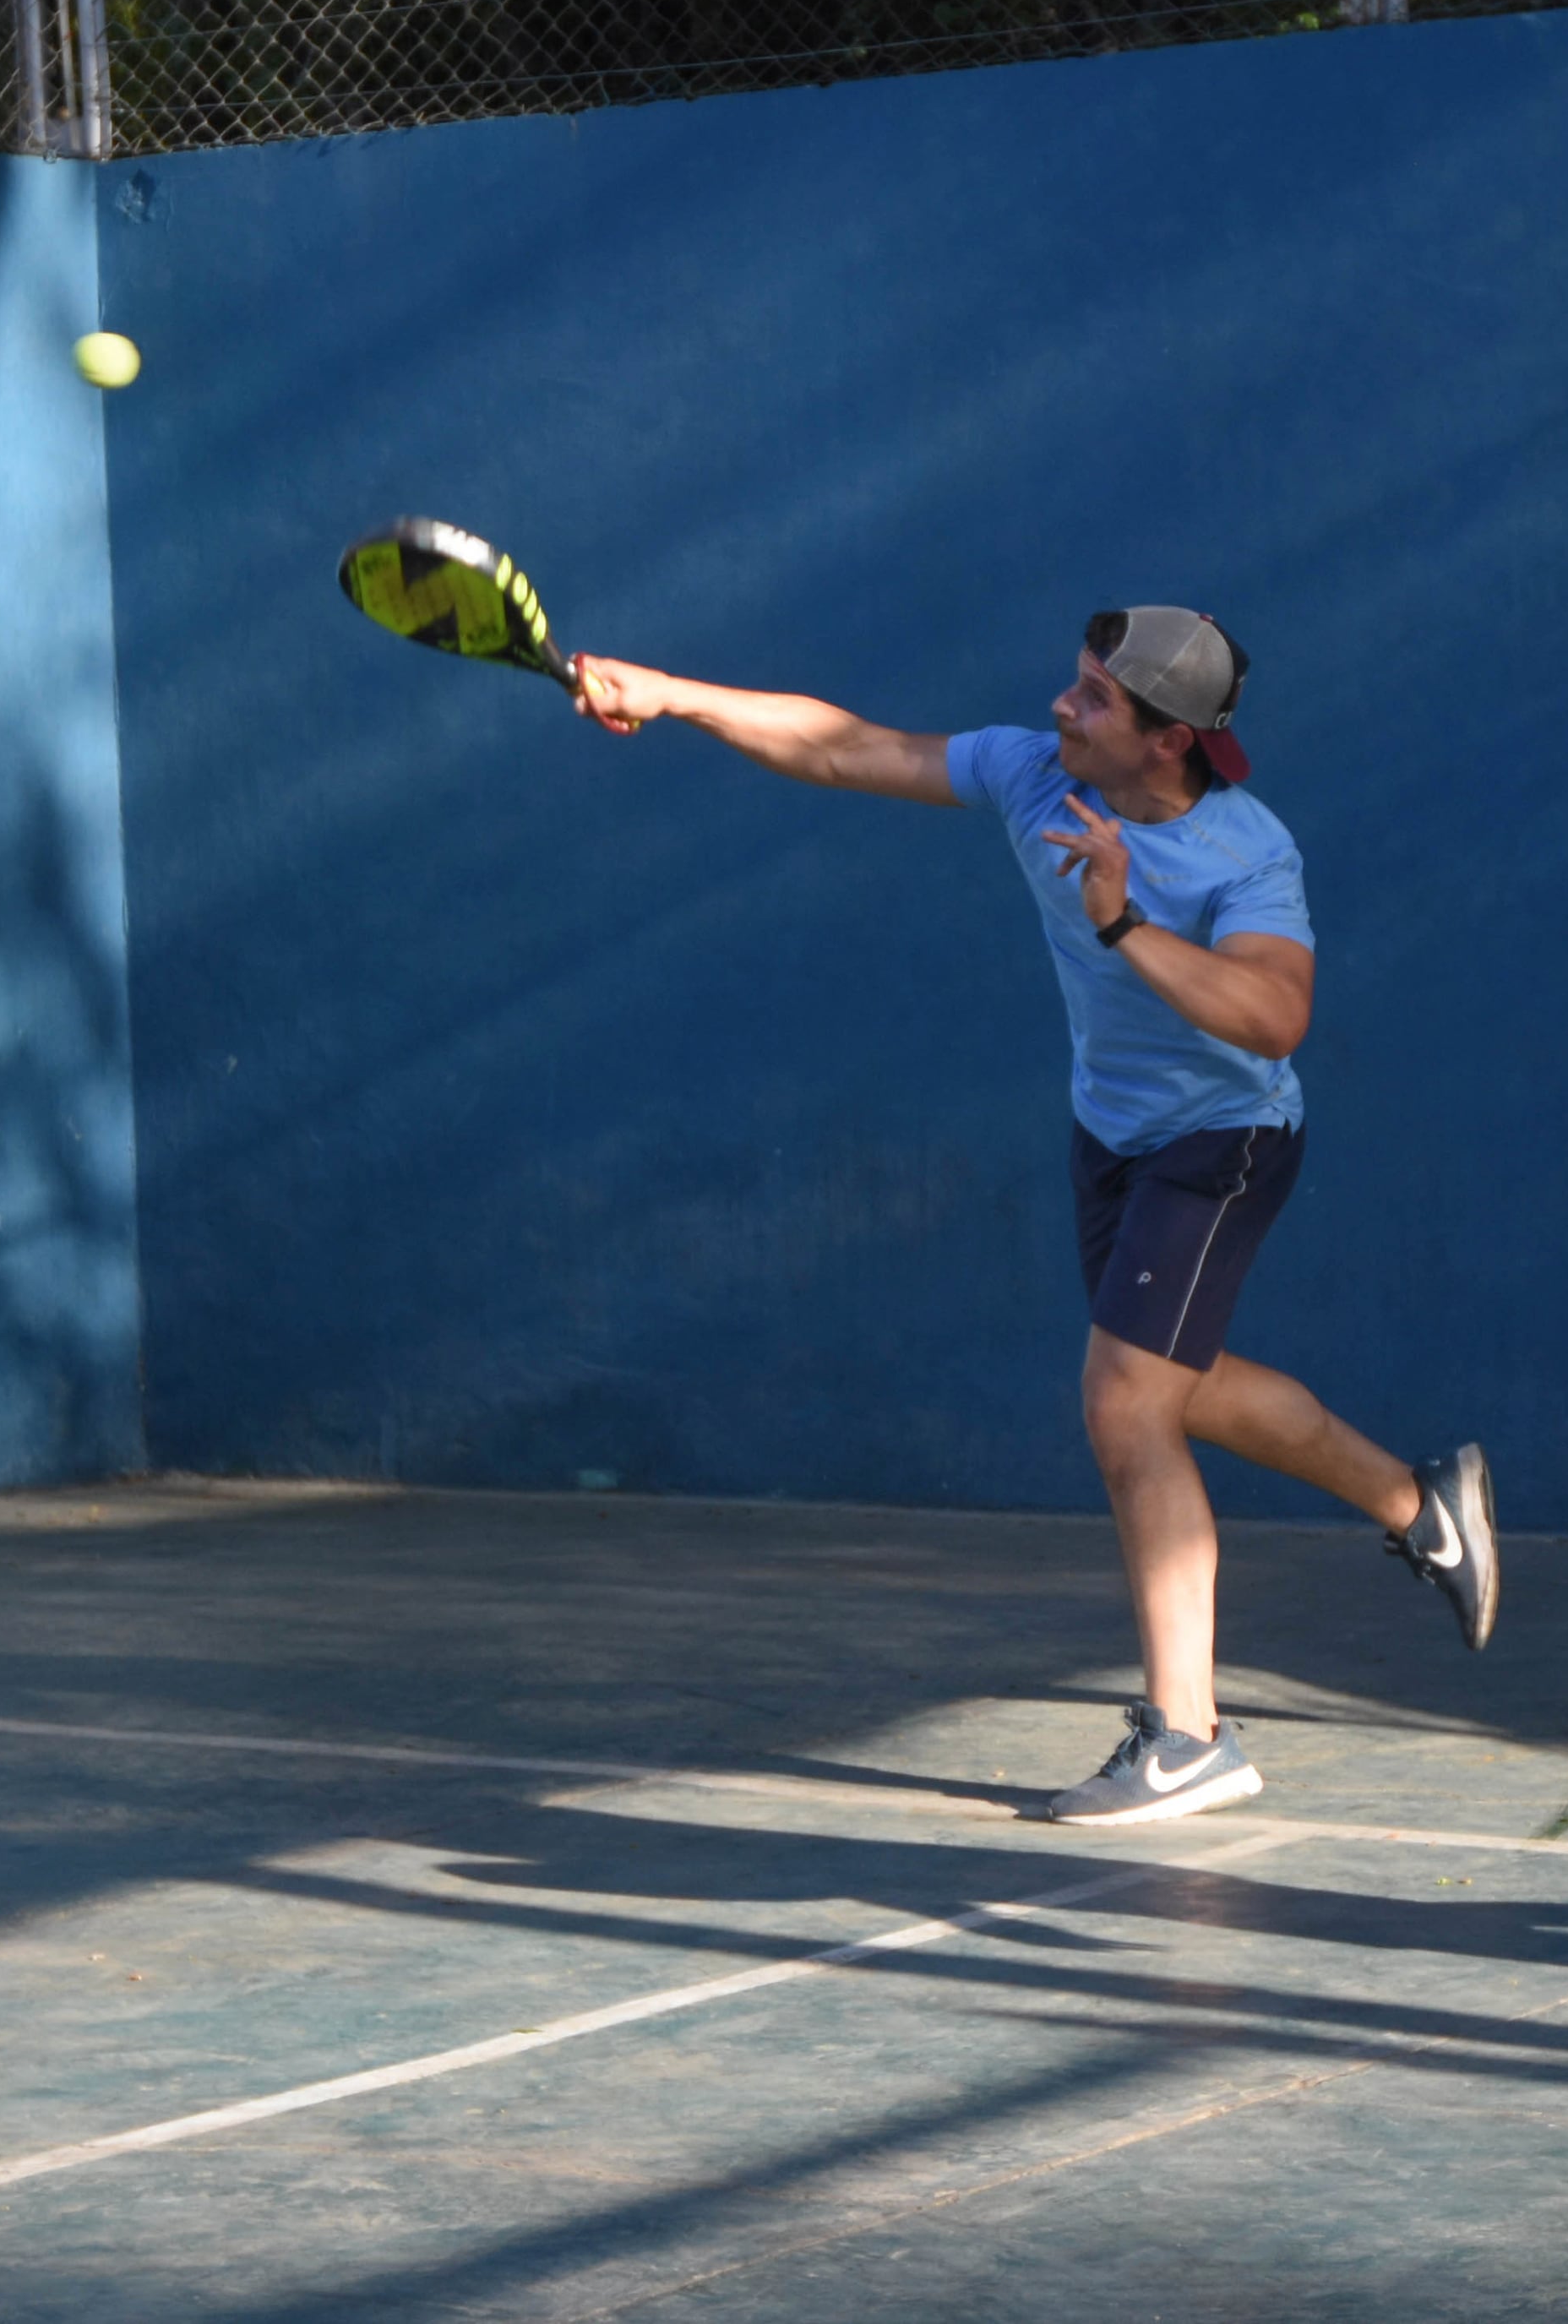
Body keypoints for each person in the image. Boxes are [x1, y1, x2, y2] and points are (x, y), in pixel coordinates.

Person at [572, 607, 1500, 1824]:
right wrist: (675, 693)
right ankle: (1420, 1503)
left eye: (1097, 700)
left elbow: (1276, 1019)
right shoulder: (1027, 771)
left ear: (1168, 742)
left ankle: (1188, 1735)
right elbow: (847, 746)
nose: (1064, 707)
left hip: (1225, 1146)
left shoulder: (1247, 854)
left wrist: (1125, 920)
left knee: (1125, 1404)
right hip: (1110, 1140)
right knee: (1187, 1388)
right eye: (1073, 683)